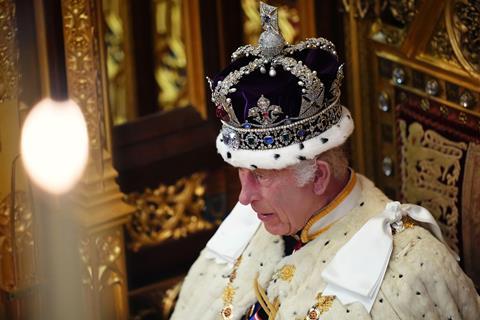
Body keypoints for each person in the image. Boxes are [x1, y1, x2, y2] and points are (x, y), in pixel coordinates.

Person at [171, 3, 479, 319]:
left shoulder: (406, 272)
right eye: (242, 173)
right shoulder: (269, 217)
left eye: (260, 176)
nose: (244, 198)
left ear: (318, 176)